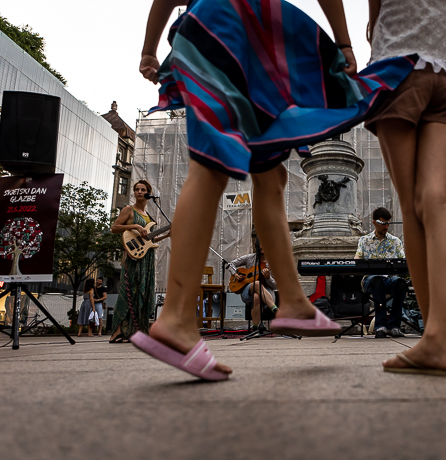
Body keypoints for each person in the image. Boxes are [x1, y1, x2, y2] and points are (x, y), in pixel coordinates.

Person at [132, 0, 416, 380]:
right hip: (239, 28)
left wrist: (149, 49)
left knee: (270, 174)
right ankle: (176, 318)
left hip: (234, 31)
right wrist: (344, 44)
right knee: (212, 163)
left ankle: (294, 301)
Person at [364, 0, 446, 375]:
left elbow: (376, 13)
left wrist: (369, 32)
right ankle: (443, 336)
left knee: (412, 206)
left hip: (398, 64)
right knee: (438, 198)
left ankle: (436, 340)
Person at [110, 180, 170, 344]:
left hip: (146, 258)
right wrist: (134, 226)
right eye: (137, 189)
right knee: (127, 293)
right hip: (132, 258)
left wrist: (167, 235)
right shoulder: (128, 210)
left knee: (140, 295)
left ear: (148, 193)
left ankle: (133, 332)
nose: (139, 191)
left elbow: (150, 240)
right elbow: (114, 228)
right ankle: (116, 332)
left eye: (143, 189)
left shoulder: (148, 216)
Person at [354, 207, 408, 339]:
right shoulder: (364, 240)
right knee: (377, 281)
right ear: (374, 222)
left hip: (390, 279)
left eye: (388, 223)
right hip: (371, 280)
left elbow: (403, 262)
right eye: (383, 223)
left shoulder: (395, 241)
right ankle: (380, 326)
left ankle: (395, 326)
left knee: (401, 283)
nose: (386, 227)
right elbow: (357, 259)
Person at [230, 240, 278, 330]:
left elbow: (275, 286)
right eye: (260, 249)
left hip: (267, 292)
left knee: (256, 297)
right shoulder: (249, 258)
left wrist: (268, 278)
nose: (262, 252)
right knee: (256, 283)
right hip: (248, 291)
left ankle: (255, 328)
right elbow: (231, 264)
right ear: (256, 248)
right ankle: (274, 308)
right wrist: (235, 274)